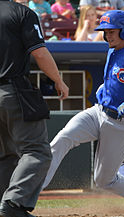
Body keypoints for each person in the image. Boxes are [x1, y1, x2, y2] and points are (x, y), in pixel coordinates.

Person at [42, 10, 124, 213]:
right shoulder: (112, 50)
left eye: (112, 31)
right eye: (105, 31)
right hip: (98, 112)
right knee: (63, 138)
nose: (107, 36)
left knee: (103, 179)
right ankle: (32, 189)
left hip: (121, 124)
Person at [0, 0, 69, 216]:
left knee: (6, 154)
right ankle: (12, 204)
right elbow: (39, 53)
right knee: (37, 151)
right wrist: (58, 80)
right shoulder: (22, 13)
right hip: (12, 90)